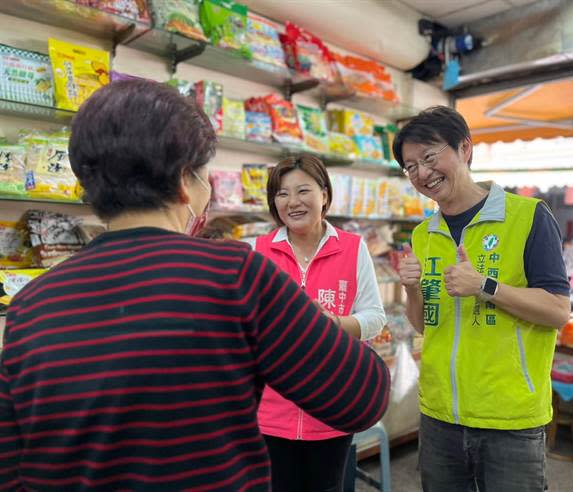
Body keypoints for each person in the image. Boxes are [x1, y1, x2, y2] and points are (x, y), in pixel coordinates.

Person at [0, 80, 390, 491]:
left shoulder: (29, 306)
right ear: (186, 182)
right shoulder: (237, 275)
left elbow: (9, 468)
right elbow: (363, 395)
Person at [394, 106, 571, 492]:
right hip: (439, 415)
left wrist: (486, 286)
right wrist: (410, 289)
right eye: (410, 167)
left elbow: (558, 311)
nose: (422, 173)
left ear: (464, 148)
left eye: (429, 156)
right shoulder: (424, 234)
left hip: (509, 420)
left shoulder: (528, 216)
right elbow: (426, 324)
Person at [246, 155, 387, 492]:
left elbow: (375, 318)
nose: (292, 202)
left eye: (302, 190)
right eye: (281, 194)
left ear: (324, 194)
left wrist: (331, 324)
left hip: (333, 407)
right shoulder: (255, 250)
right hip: (268, 414)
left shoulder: (353, 249)